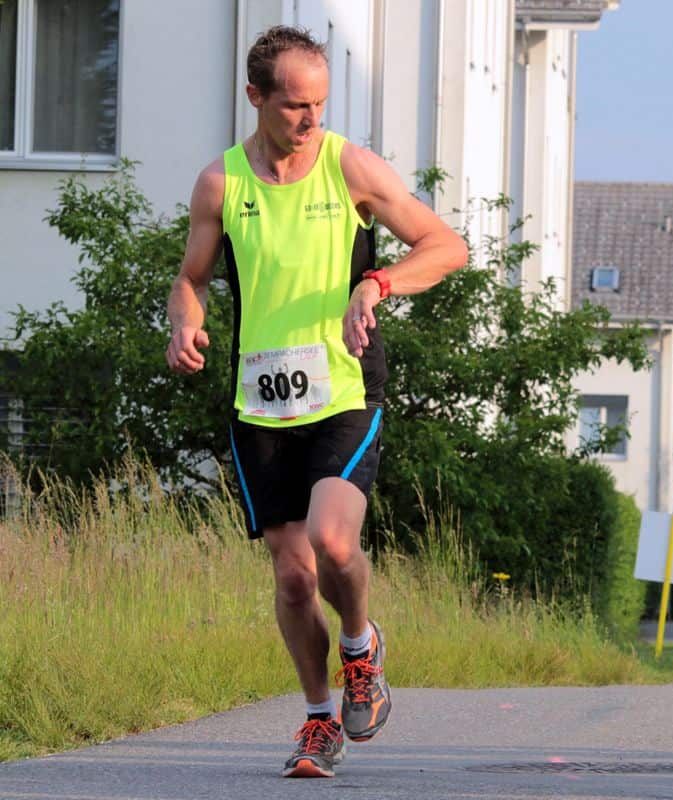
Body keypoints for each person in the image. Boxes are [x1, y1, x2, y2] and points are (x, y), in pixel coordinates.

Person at [165, 26, 468, 778]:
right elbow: (192, 277)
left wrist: (377, 282)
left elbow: (445, 245)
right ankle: (317, 719)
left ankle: (361, 650)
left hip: (344, 389)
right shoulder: (220, 184)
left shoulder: (350, 167)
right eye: (295, 105)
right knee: (295, 577)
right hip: (259, 404)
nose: (310, 120)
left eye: (321, 104)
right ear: (256, 98)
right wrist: (184, 324)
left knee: (335, 544)